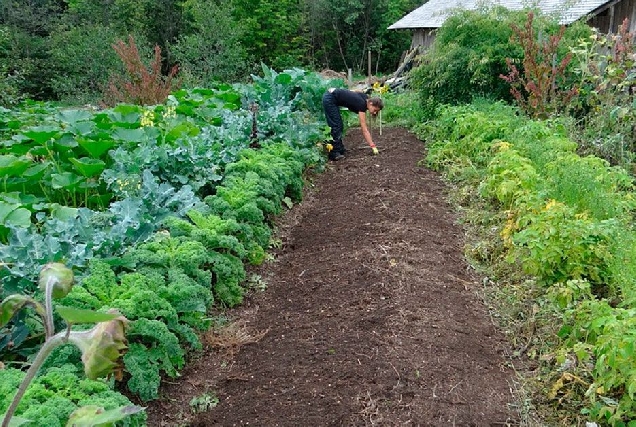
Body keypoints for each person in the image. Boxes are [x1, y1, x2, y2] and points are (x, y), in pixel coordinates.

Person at [322, 87, 384, 161]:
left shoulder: (365, 98)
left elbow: (355, 91)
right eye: (375, 110)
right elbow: (364, 129)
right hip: (330, 98)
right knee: (336, 125)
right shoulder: (361, 105)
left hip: (331, 93)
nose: (374, 113)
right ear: (371, 103)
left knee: (339, 125)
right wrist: (372, 145)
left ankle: (339, 148)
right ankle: (334, 153)